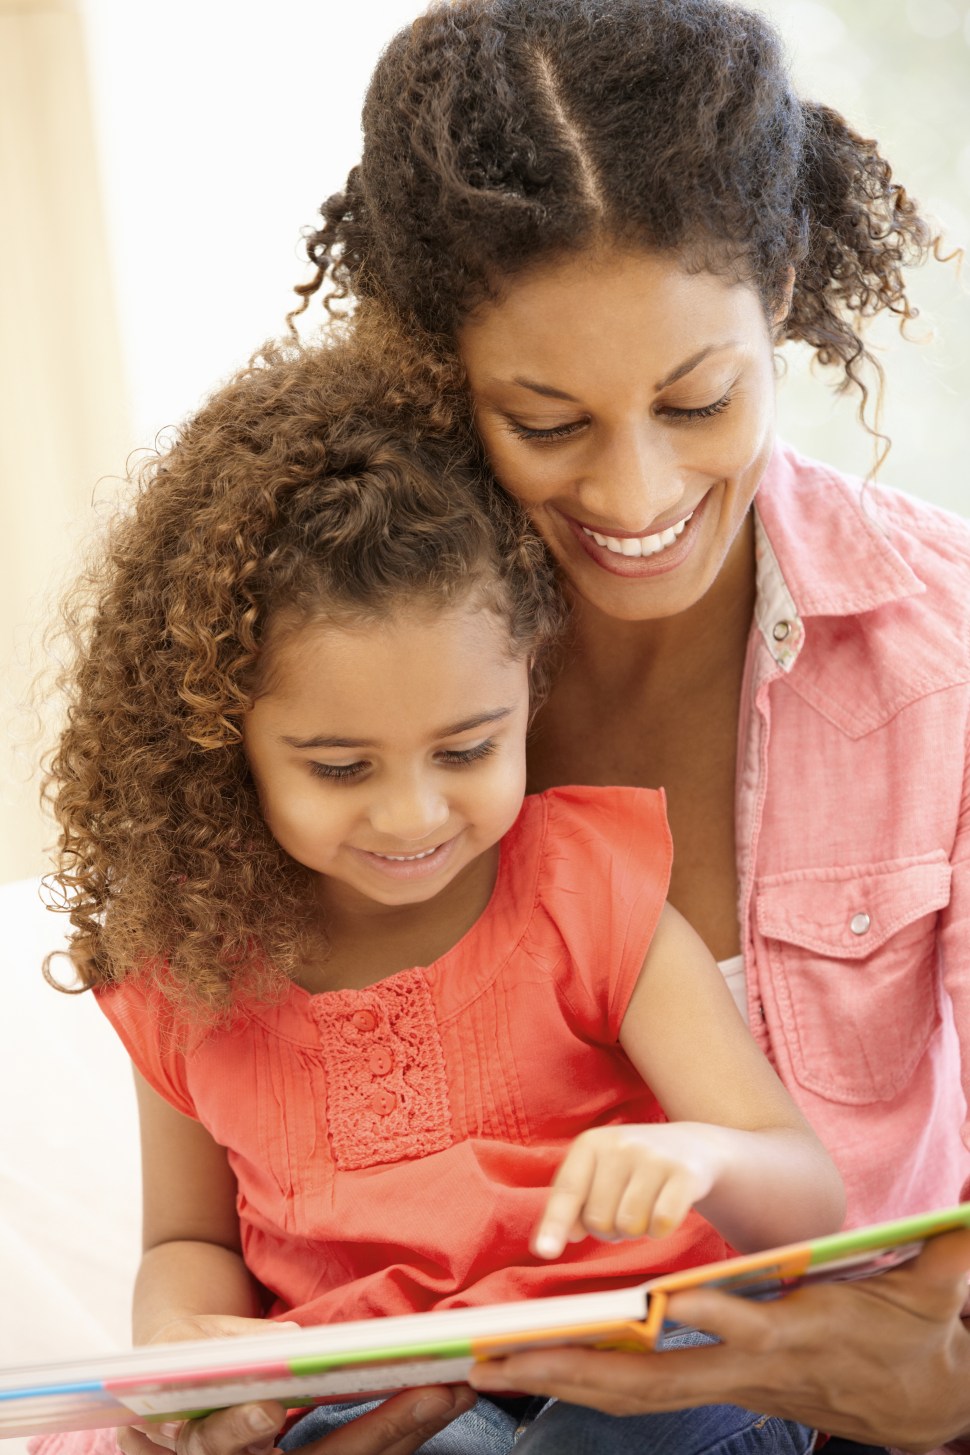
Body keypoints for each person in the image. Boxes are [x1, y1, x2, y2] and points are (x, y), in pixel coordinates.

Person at [282, 1, 970, 1451]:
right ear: (435, 358)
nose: (635, 492)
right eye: (545, 421)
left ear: (778, 287)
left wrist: (942, 1386)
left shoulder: (942, 650)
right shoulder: (346, 670)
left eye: (698, 397)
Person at [37, 317, 842, 1455]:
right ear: (226, 741)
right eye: (339, 768)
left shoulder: (587, 892)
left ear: (528, 686)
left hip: (641, 1368)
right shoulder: (191, 964)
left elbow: (807, 1194)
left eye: (467, 751)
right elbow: (184, 1243)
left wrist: (701, 1158)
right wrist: (176, 1337)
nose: (414, 815)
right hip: (380, 1398)